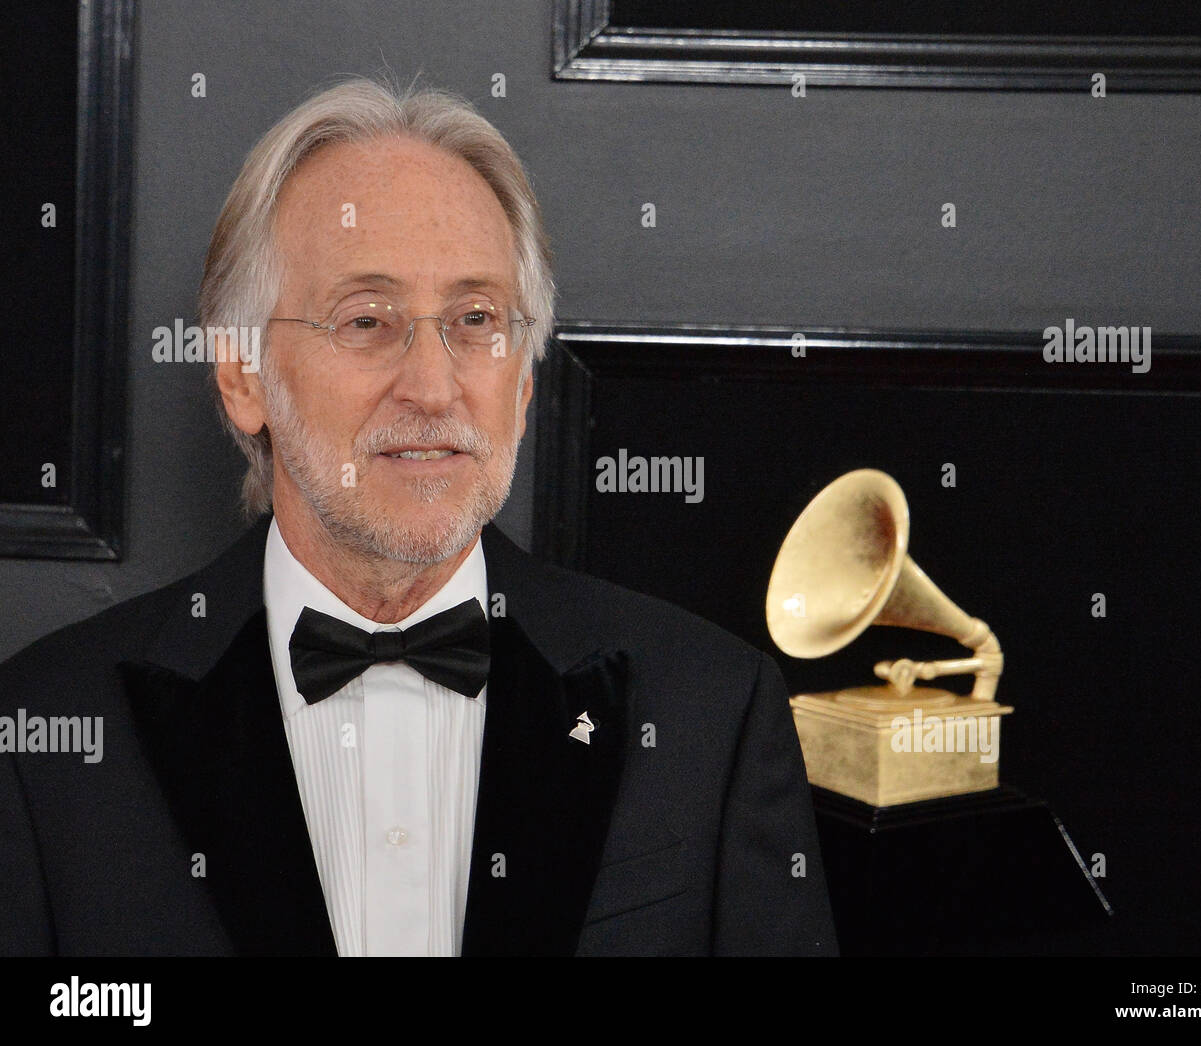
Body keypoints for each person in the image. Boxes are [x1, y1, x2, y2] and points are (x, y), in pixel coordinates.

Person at [0, 79, 837, 956]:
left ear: (521, 385)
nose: (434, 388)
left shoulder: (715, 712)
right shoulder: (41, 740)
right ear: (243, 376)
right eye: (367, 319)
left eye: (476, 320)